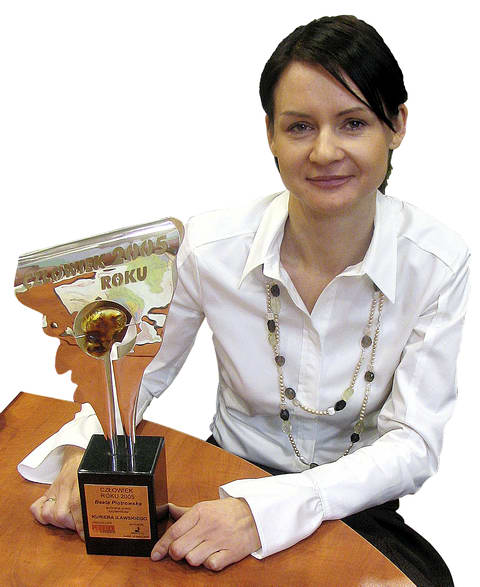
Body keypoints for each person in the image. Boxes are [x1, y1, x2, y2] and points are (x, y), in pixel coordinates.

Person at [19, 15, 468, 586]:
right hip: (225, 475)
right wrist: (85, 448)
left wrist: (265, 514)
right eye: (300, 126)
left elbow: (413, 444)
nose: (325, 151)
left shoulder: (437, 262)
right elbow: (139, 369)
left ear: (396, 125)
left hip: (354, 503)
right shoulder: (211, 248)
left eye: (353, 123)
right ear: (271, 134)